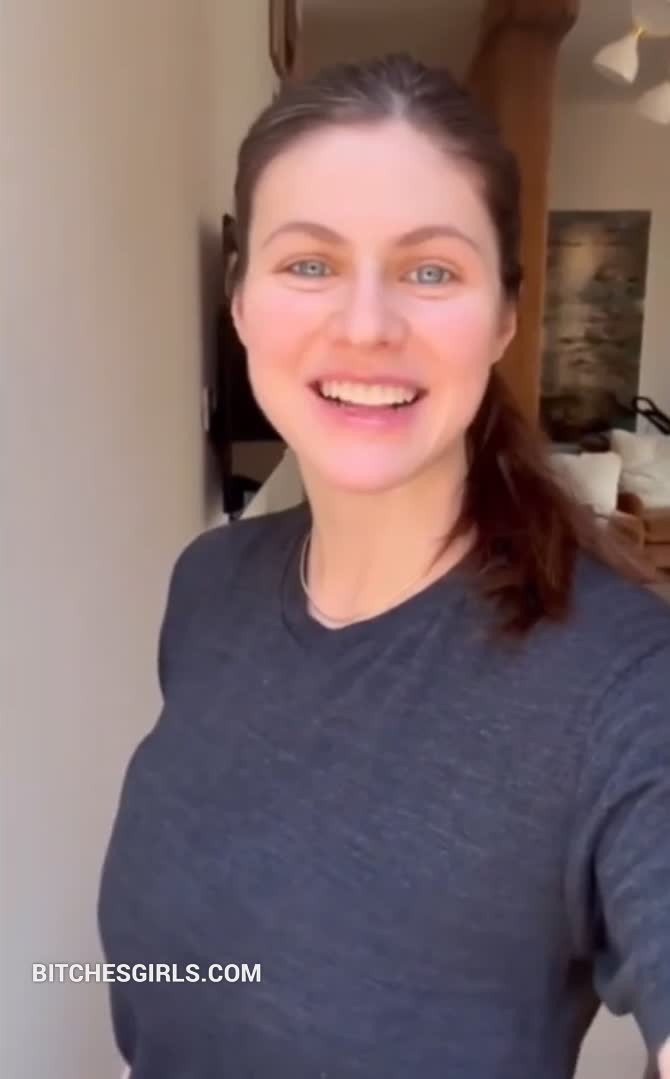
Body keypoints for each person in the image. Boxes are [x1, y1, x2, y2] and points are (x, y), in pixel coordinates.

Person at [97, 54, 670, 1079]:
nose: (365, 326)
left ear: (504, 315)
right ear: (240, 301)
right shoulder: (211, 587)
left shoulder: (627, 681)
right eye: (309, 263)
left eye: (430, 270)